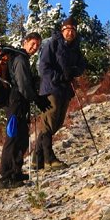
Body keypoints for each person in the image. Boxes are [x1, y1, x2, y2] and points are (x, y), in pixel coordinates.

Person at [32, 16, 86, 170]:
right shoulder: (52, 44)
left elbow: (82, 64)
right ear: (62, 30)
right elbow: (43, 68)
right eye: (67, 29)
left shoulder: (74, 47)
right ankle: (49, 159)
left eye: (73, 30)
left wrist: (74, 71)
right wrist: (61, 76)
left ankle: (37, 158)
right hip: (50, 88)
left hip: (64, 90)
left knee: (57, 123)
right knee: (49, 123)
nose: (70, 33)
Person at [0, 32, 51, 189]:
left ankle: (16, 171)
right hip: (16, 102)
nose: (34, 48)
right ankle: (6, 176)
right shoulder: (20, 59)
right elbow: (23, 85)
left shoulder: (23, 59)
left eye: (37, 45)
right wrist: (36, 99)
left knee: (21, 136)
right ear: (25, 42)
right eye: (32, 44)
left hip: (20, 103)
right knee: (13, 137)